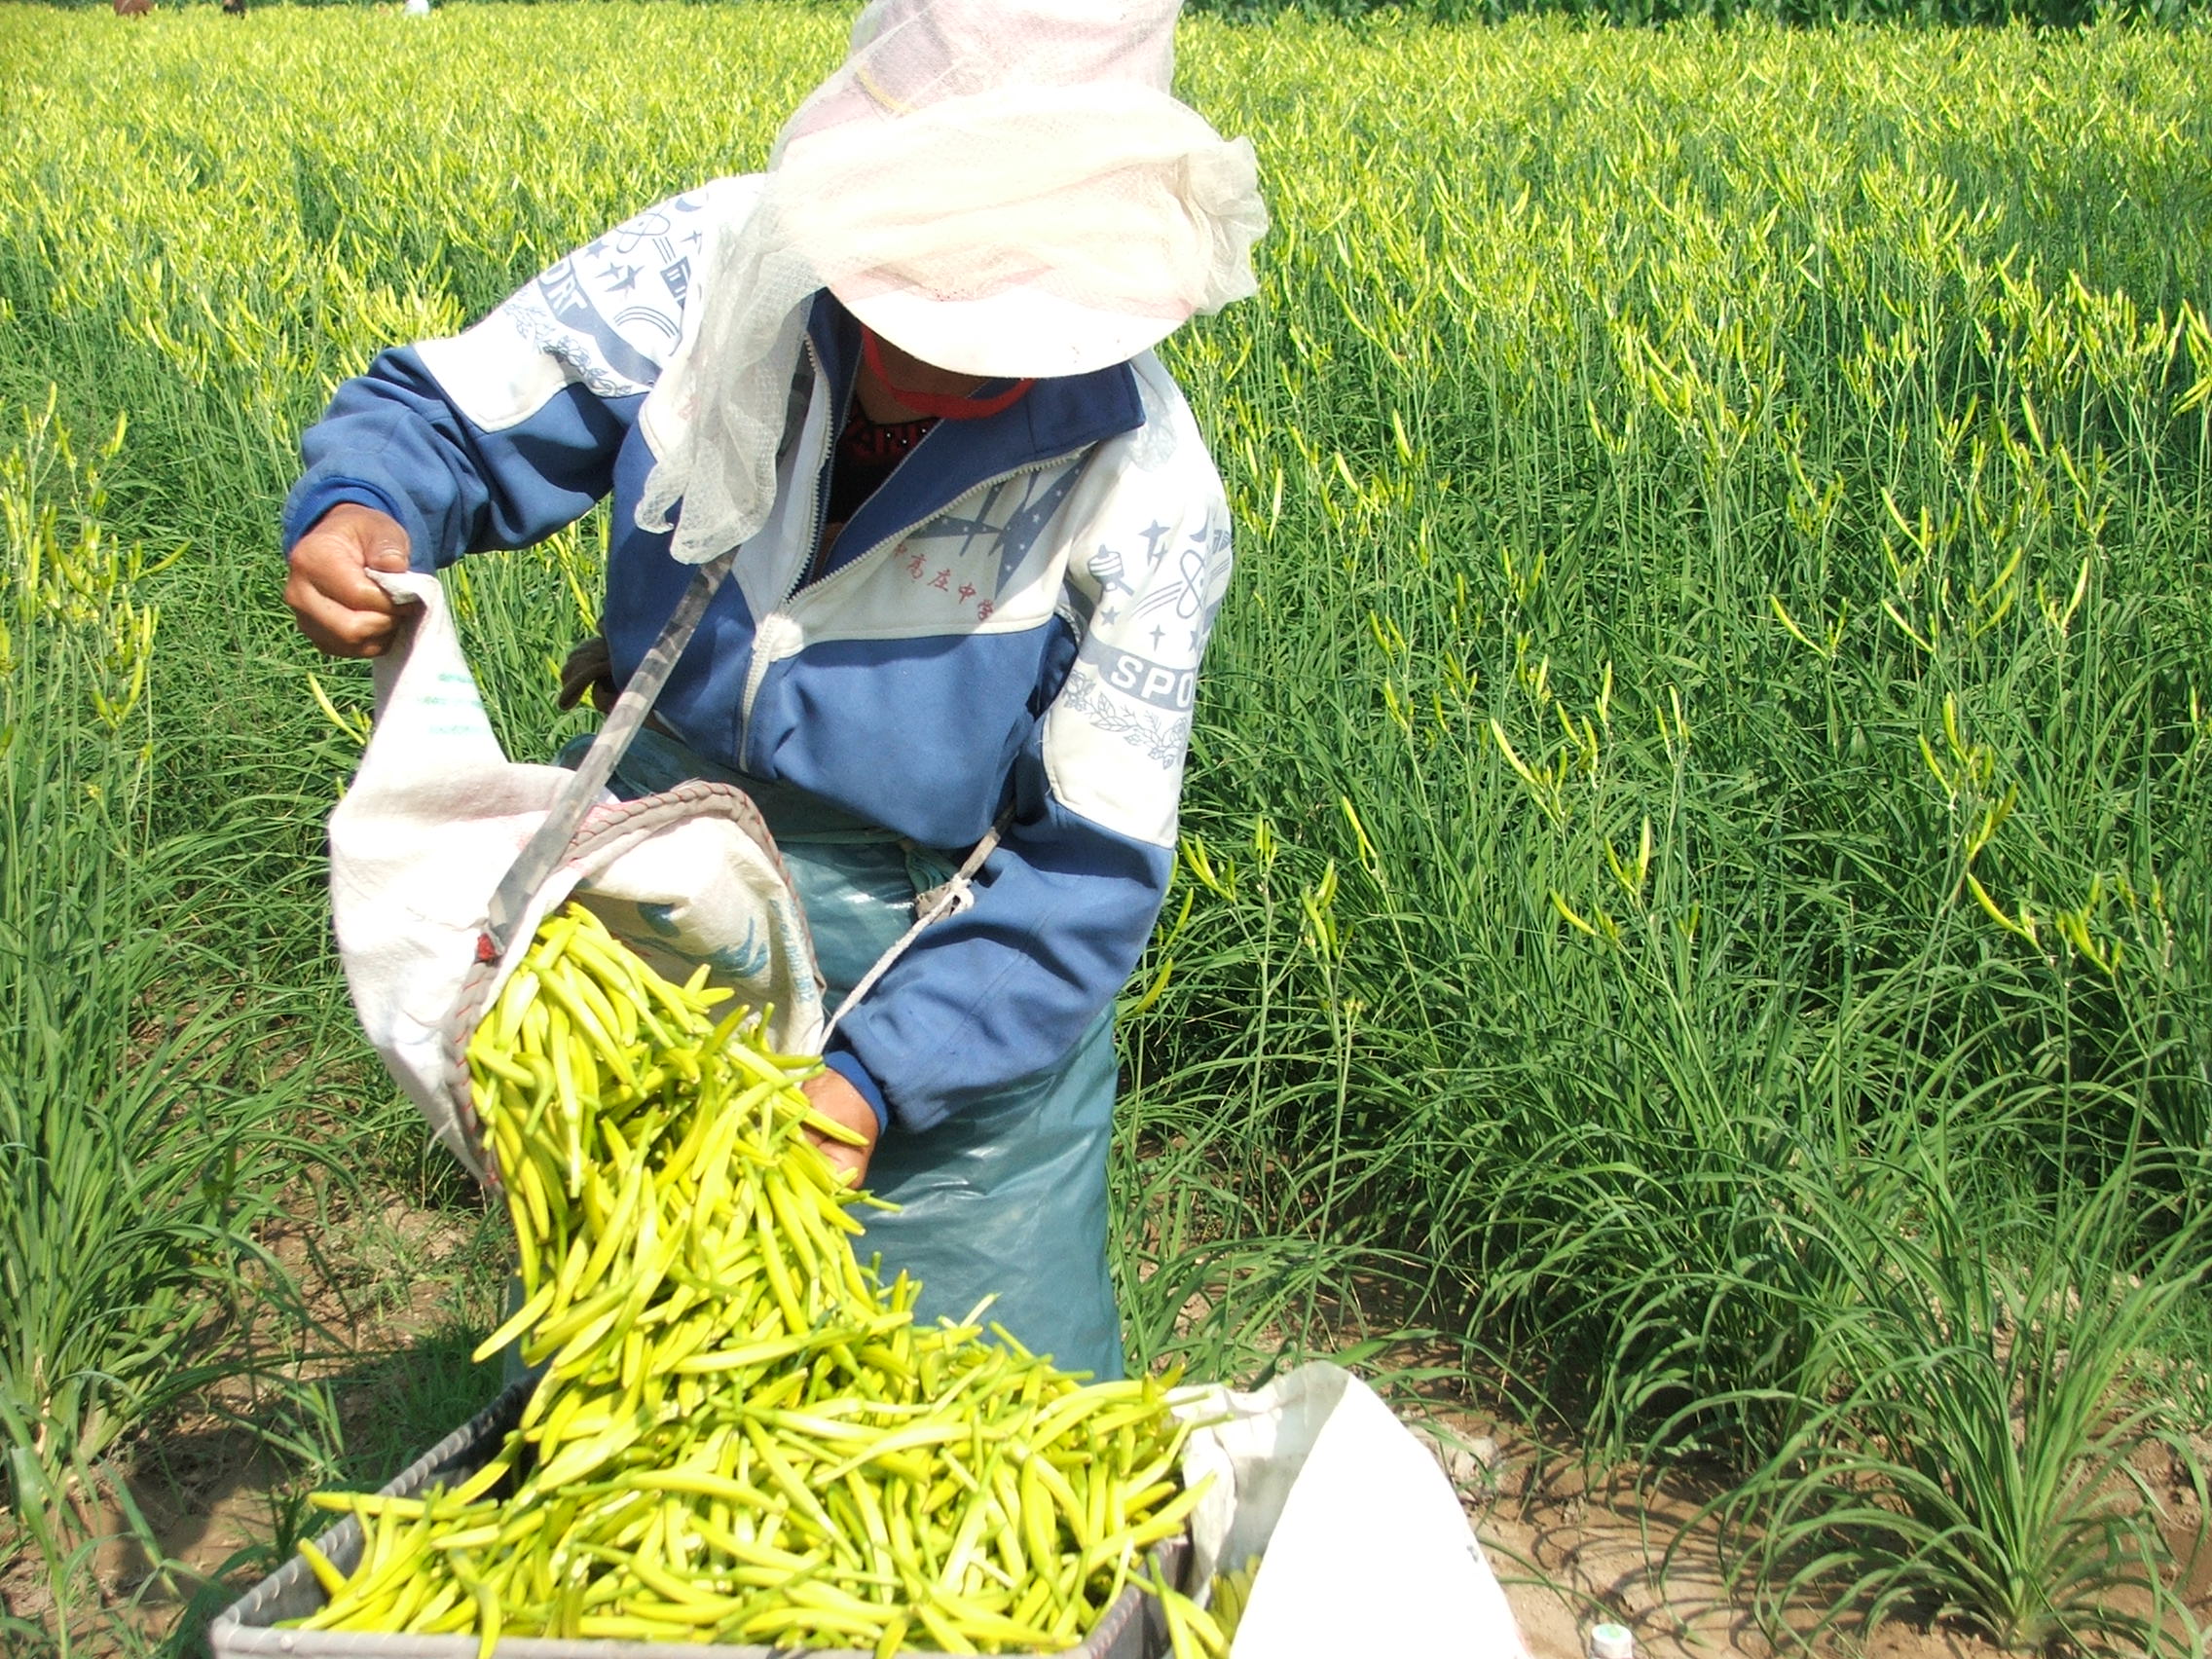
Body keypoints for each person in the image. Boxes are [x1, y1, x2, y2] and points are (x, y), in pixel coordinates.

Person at [280, 0, 1266, 1382]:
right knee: (621, 1370)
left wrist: (874, 1075)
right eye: (920, 286)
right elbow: (459, 411)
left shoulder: (1149, 494)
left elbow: (1087, 866)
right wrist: (367, 505)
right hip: (660, 916)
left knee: (971, 1424)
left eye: (1007, 315)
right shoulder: (704, 268)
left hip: (955, 964)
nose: (947, 354)